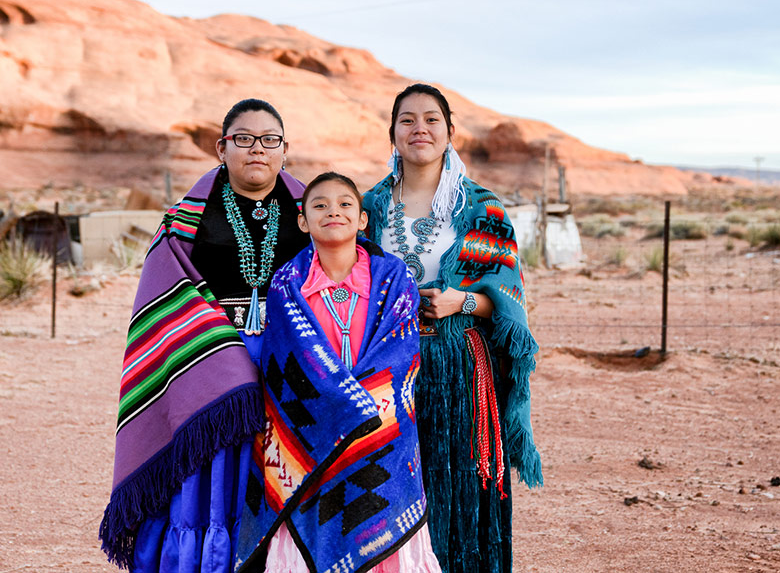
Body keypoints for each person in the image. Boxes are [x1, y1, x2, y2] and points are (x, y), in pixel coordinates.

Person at [99, 99, 310, 572]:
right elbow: (164, 292)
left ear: (284, 149)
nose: (257, 148)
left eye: (269, 140)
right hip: (206, 363)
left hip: (290, 363)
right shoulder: (185, 218)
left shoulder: (310, 212)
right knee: (209, 476)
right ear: (221, 148)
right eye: (243, 139)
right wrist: (226, 355)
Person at [362, 84, 542, 573]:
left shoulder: (483, 208)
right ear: (392, 133)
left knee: (460, 487)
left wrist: (459, 300)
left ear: (449, 132)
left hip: (460, 371)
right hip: (385, 371)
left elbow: (507, 303)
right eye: (407, 120)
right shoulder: (368, 208)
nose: (419, 129)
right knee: (389, 492)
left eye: (430, 120)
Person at [233, 173, 441, 573]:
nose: (334, 211)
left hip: (381, 435)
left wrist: (356, 411)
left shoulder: (394, 278)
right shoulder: (286, 285)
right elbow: (286, 369)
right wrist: (341, 410)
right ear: (303, 221)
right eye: (320, 205)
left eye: (345, 204)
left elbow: (398, 356)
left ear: (363, 219)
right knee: (309, 529)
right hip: (308, 437)